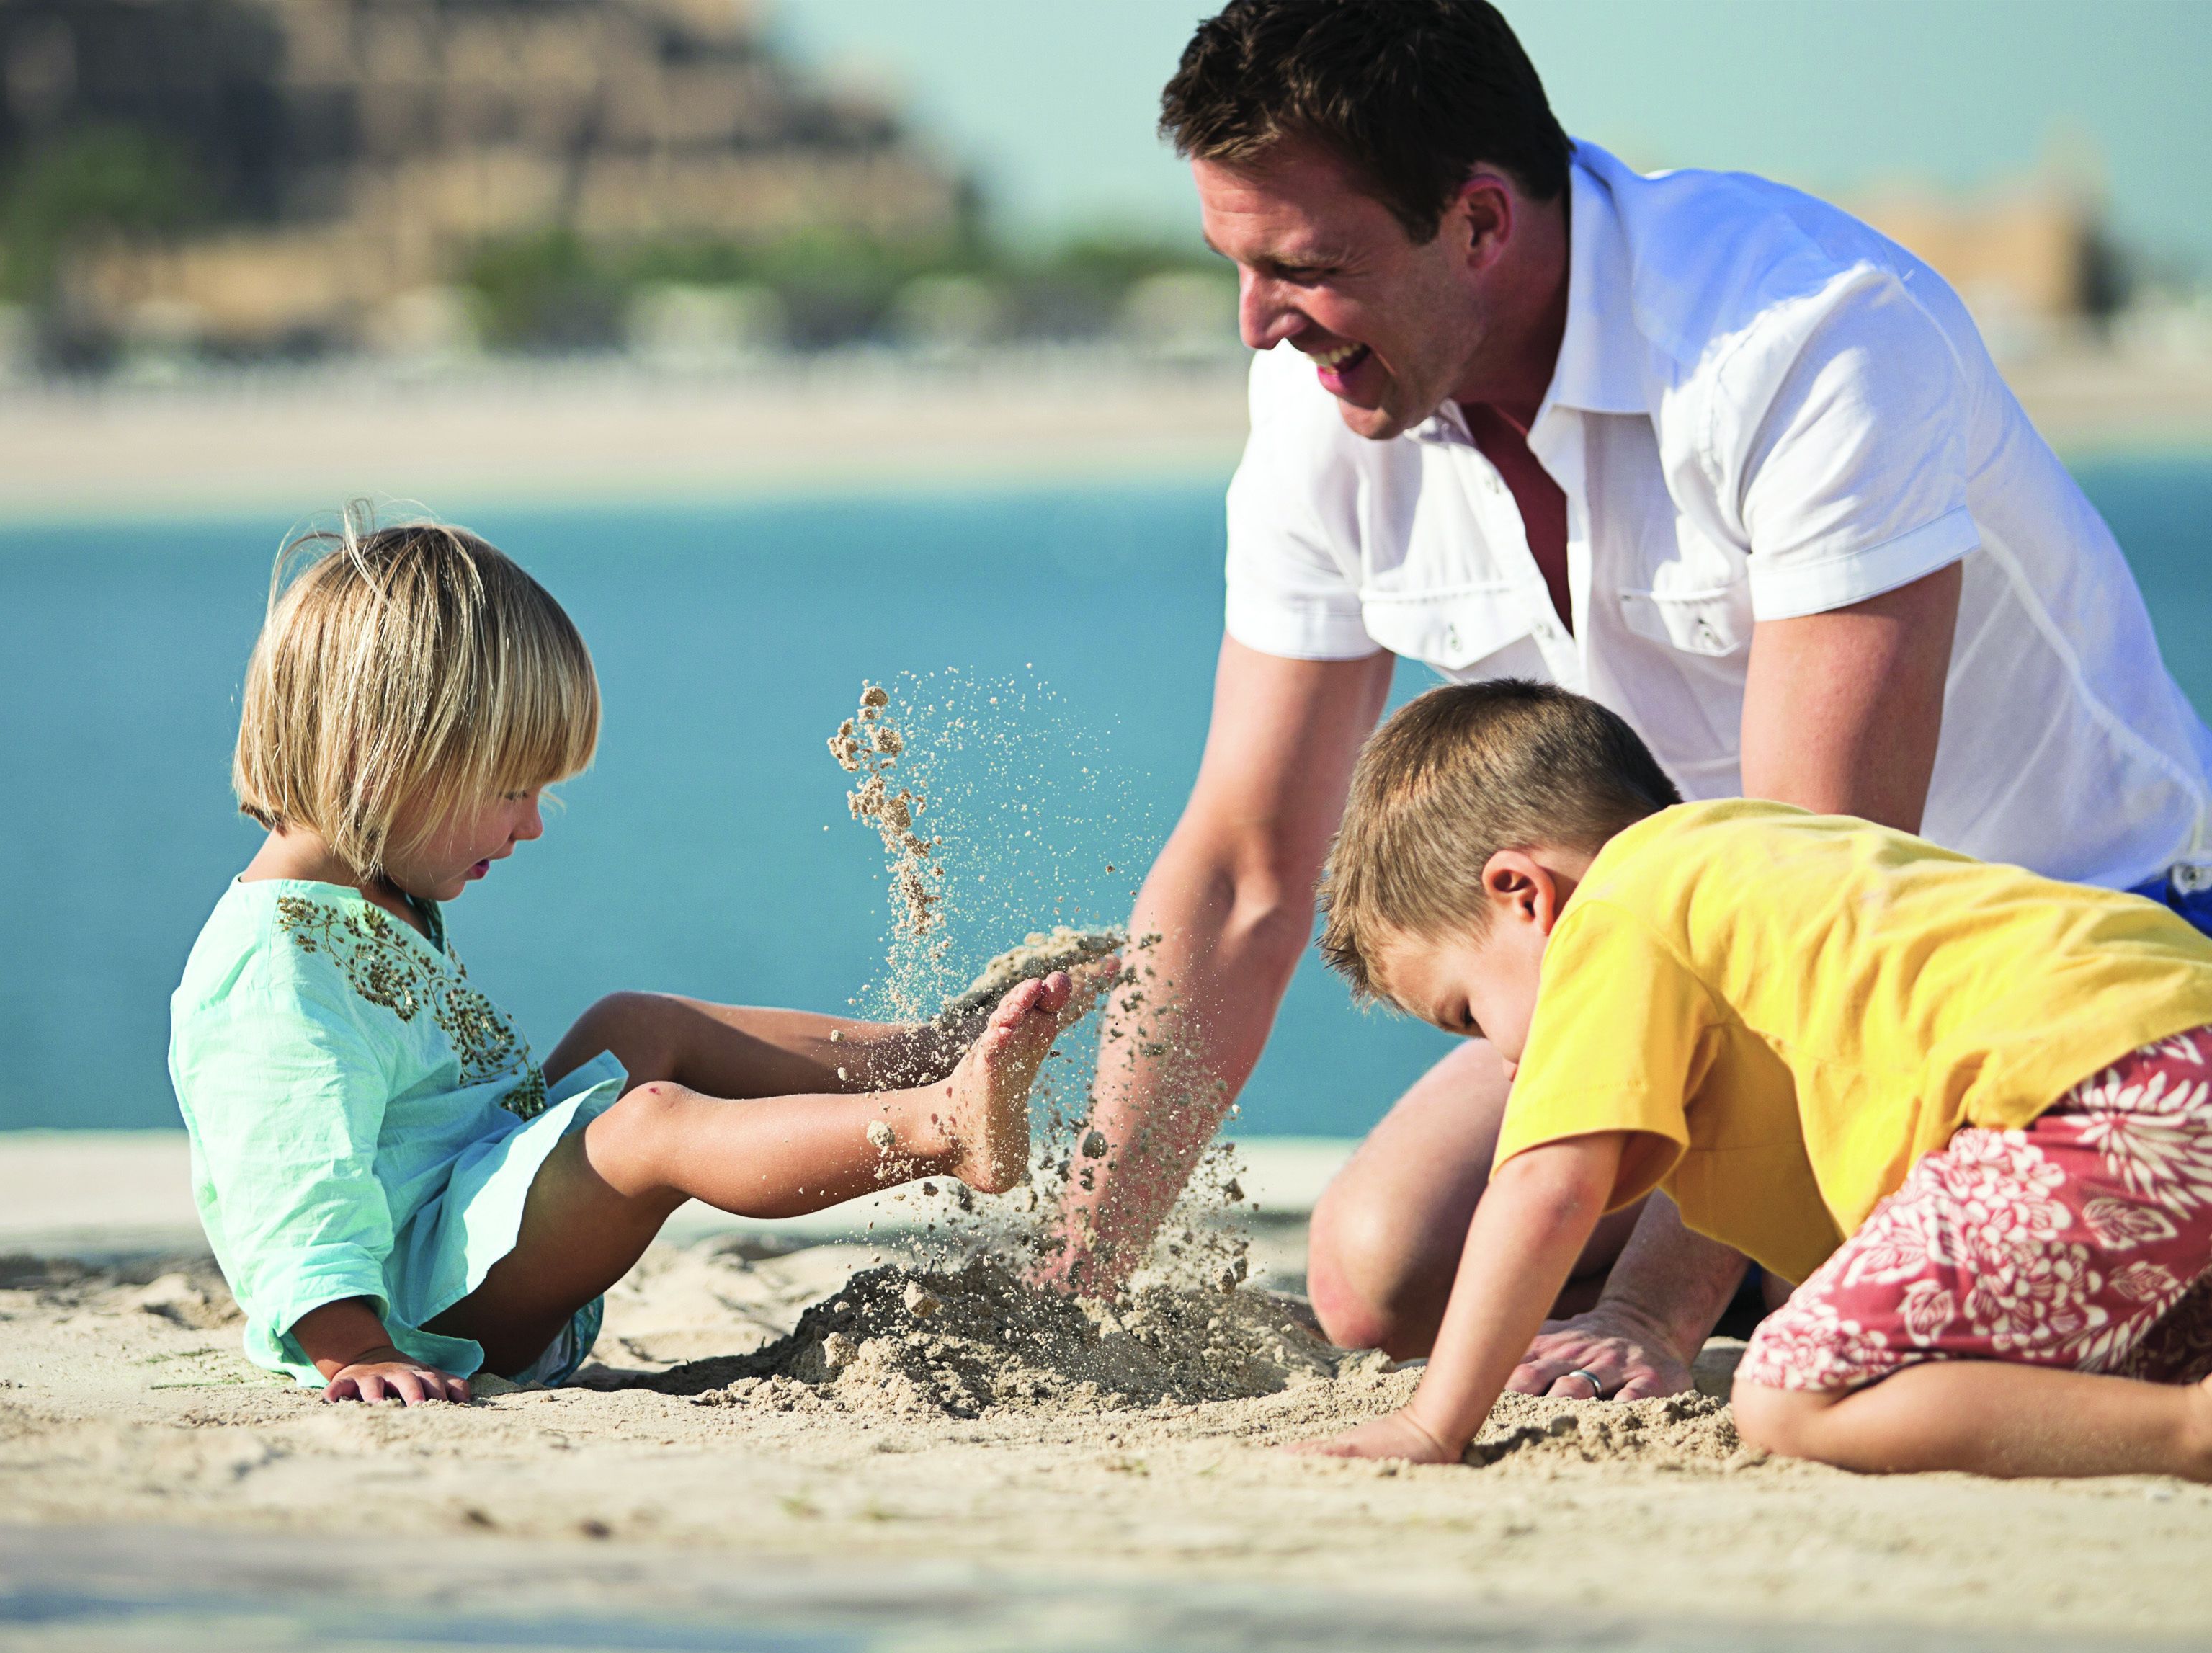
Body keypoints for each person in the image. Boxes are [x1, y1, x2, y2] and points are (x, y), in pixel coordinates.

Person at [1046, 0, 2212, 1407]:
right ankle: (1834, 1244)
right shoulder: (1325, 400)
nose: (1259, 324)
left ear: (1480, 222)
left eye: (1305, 266)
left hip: (2063, 950)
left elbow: (1804, 897)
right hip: (1687, 986)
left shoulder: (1811, 340)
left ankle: (1838, 1254)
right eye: (1237, 265)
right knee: (1385, 1268)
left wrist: (1654, 1317)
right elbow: (1244, 866)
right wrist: (1070, 1284)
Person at [169, 513, 1105, 1404]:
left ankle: (934, 1056)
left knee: (635, 1026)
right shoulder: (271, 966)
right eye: (509, 789)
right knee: (648, 1124)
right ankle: (944, 1125)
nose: (532, 824)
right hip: (417, 1312)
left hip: (468, 1218)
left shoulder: (373, 892)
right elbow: (289, 1176)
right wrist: (357, 1349)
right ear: (383, 761)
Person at [1294, 679, 2212, 1479]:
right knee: (2109, 1365)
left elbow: (1545, 1187)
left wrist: (1432, 1421)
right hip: (2174, 1040)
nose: (1503, 1062)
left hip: (2085, 1101)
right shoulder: (1755, 853)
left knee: (1791, 1398)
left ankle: (2191, 1435)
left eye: (1465, 1012)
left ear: (1524, 893)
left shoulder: (1611, 914)